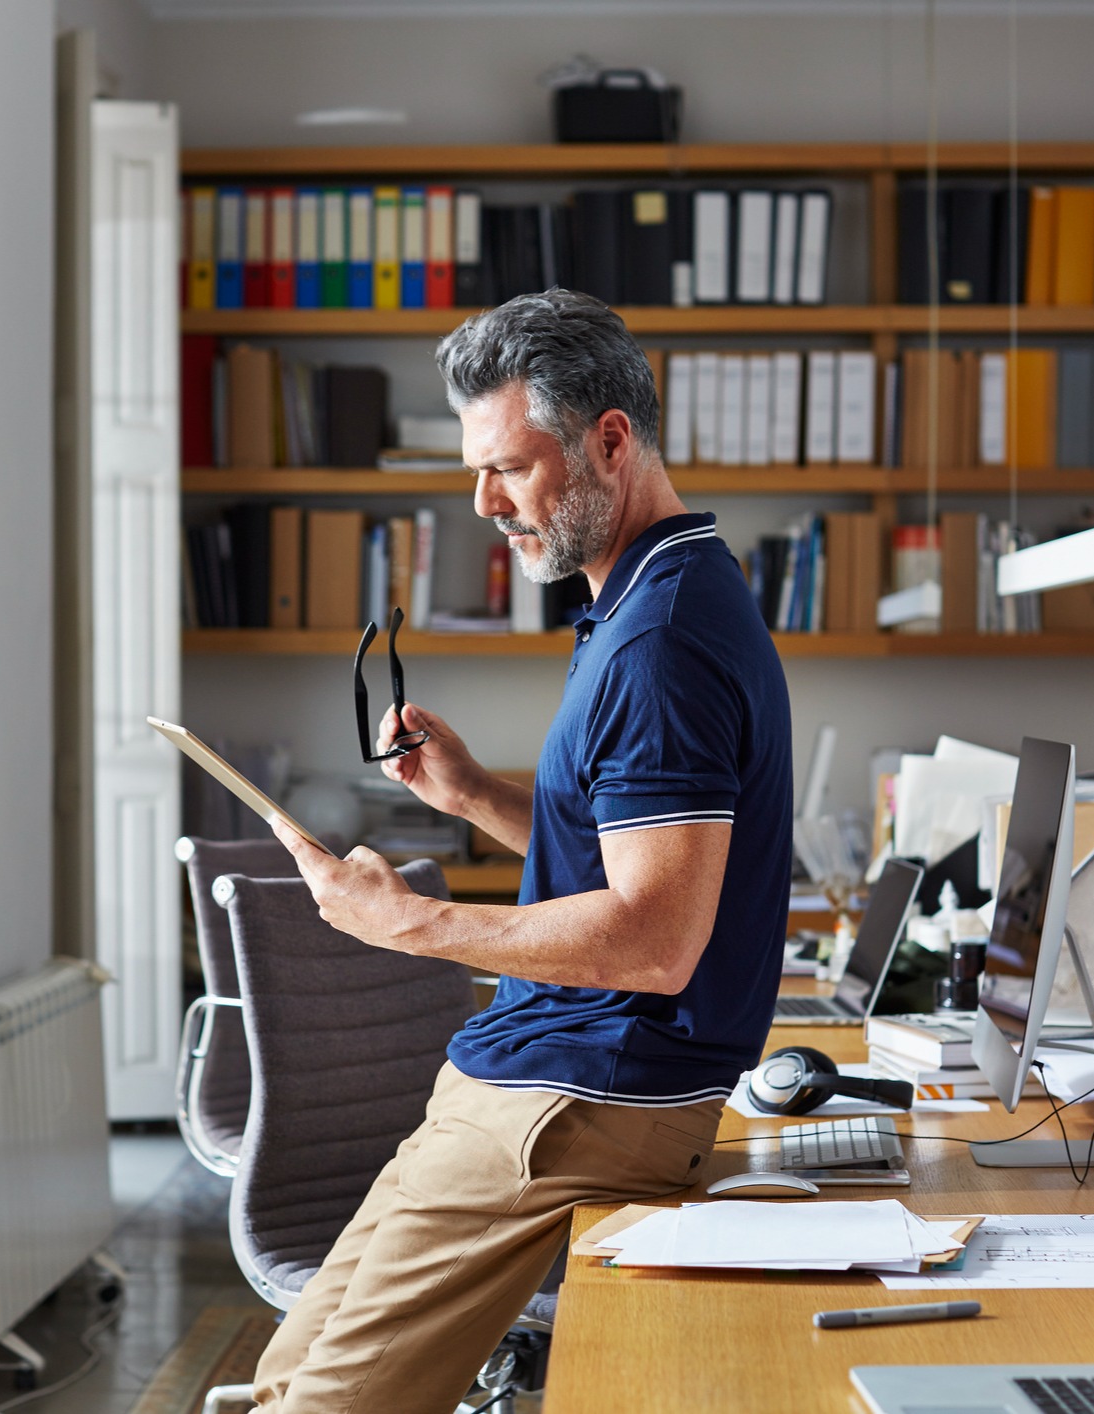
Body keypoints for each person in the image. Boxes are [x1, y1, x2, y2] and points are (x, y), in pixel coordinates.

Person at [254, 288, 792, 1414]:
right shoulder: (642, 593)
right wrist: (474, 795)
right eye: (473, 470)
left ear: (609, 440)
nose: (485, 503)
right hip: (534, 1069)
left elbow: (652, 940)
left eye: (509, 467)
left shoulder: (661, 642)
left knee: (325, 1406)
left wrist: (409, 922)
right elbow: (622, 853)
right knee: (284, 1376)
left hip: (585, 1091)